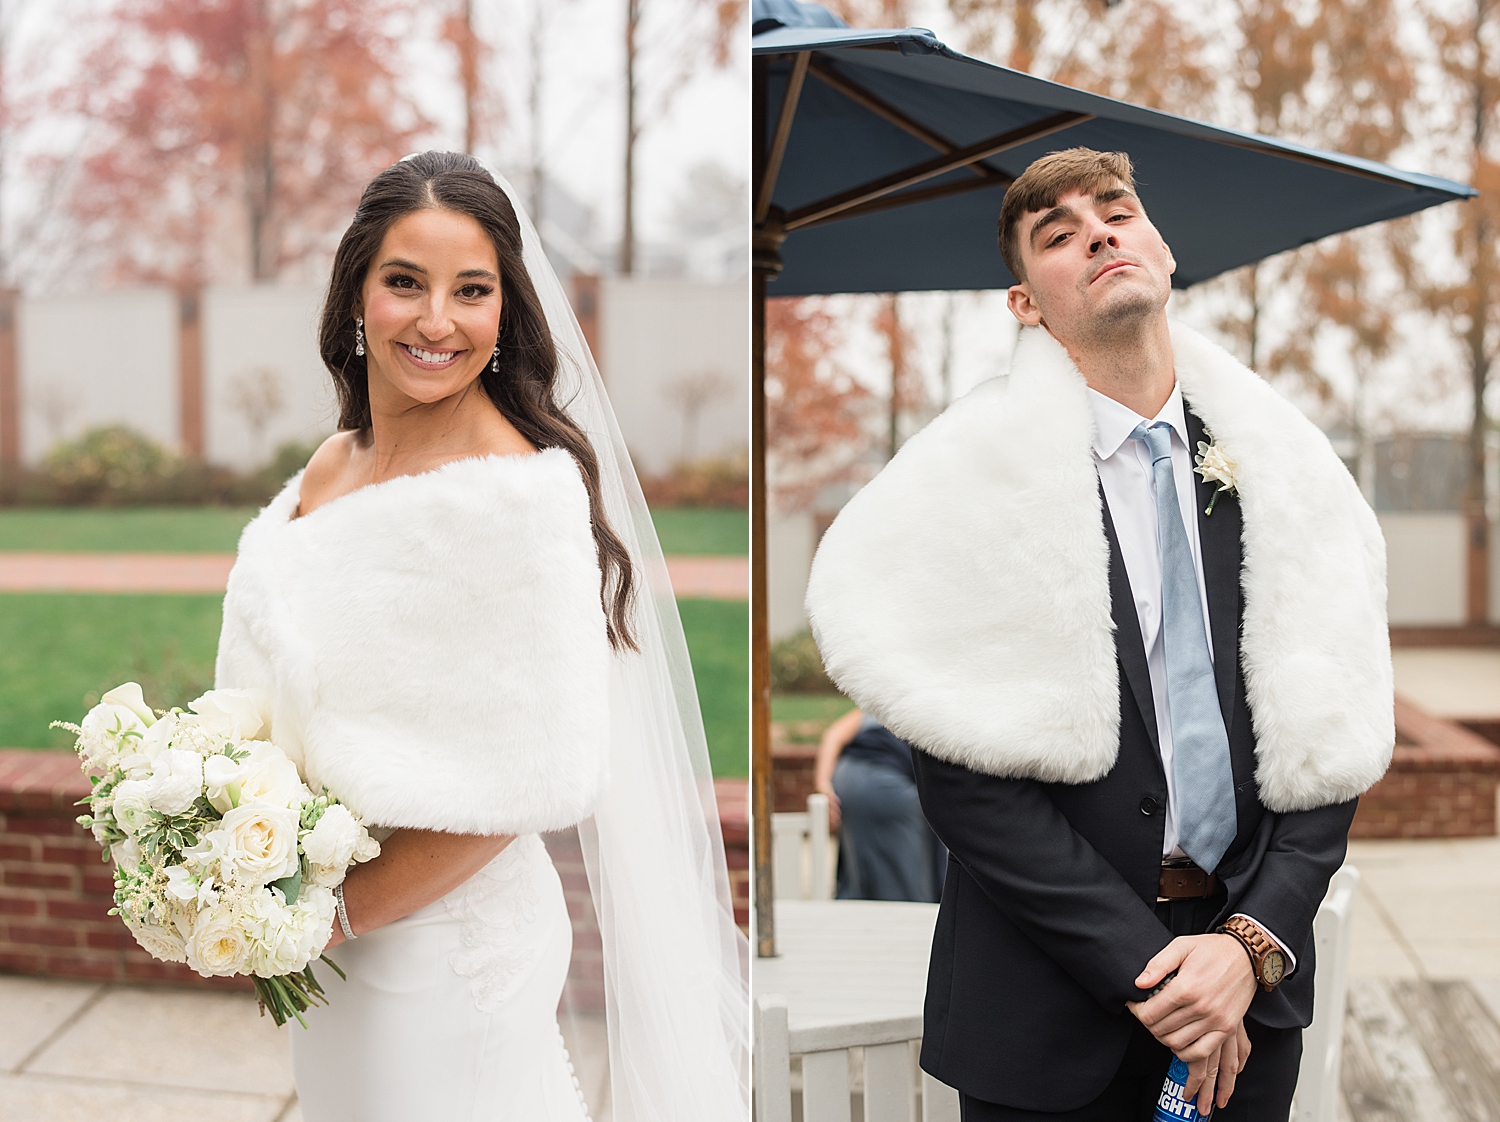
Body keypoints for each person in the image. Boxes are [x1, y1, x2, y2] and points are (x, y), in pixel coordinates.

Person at [804, 148, 1393, 1121]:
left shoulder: (1287, 471)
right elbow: (962, 779)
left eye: (1115, 212)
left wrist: (1247, 948)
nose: (1099, 233)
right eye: (1059, 234)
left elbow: (1334, 730)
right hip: (1043, 1010)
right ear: (1025, 302)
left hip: (1247, 994)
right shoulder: (972, 486)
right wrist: (1162, 977)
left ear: (1161, 246)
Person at [214, 152, 747, 1121]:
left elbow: (529, 782)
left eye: (472, 291)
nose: (435, 321)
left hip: (436, 952)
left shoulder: (517, 497)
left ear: (506, 314)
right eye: (404, 282)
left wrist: (326, 914)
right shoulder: (334, 464)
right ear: (356, 297)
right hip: (330, 947)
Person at [814, 708, 945, 901]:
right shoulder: (935, 707)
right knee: (905, 885)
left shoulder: (878, 706)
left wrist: (823, 784)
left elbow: (834, 735)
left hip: (847, 778)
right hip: (889, 787)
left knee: (859, 876)